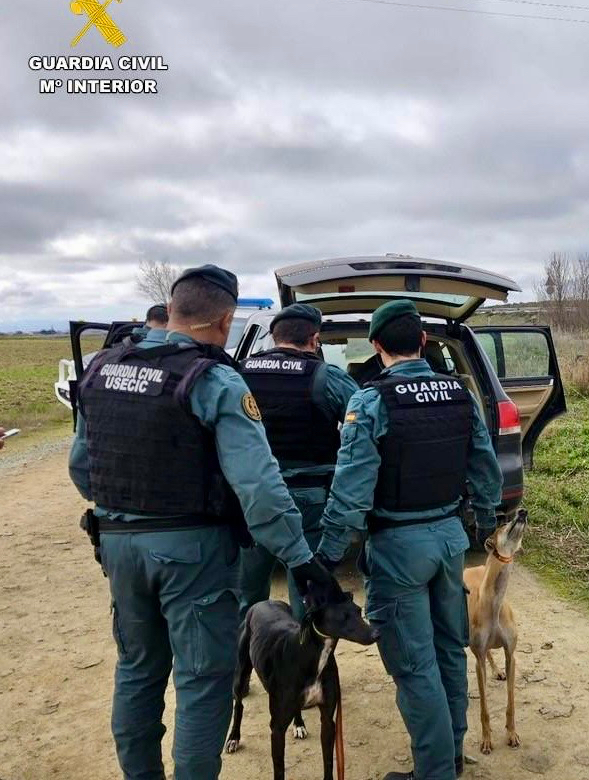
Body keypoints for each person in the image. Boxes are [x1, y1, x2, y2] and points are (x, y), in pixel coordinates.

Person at [68, 264, 338, 780]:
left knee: (137, 672)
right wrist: (300, 559)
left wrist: (126, 512)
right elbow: (258, 488)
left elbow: (82, 467)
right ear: (225, 319)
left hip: (119, 546)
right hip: (191, 551)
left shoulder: (103, 368)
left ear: (171, 311)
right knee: (201, 680)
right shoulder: (211, 379)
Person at [316, 300, 503, 780]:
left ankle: (436, 771)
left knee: (415, 666)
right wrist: (484, 520)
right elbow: (485, 464)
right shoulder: (459, 395)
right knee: (447, 652)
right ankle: (452, 754)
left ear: (376, 346)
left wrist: (328, 555)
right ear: (423, 341)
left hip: (400, 546)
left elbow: (352, 487)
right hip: (448, 541)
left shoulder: (372, 400)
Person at [238, 303, 358, 620]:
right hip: (310, 499)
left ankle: (243, 659)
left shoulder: (238, 373)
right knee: (308, 593)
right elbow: (365, 425)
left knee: (245, 594)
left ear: (273, 337)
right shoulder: (327, 378)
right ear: (314, 339)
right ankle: (306, 663)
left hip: (253, 498)